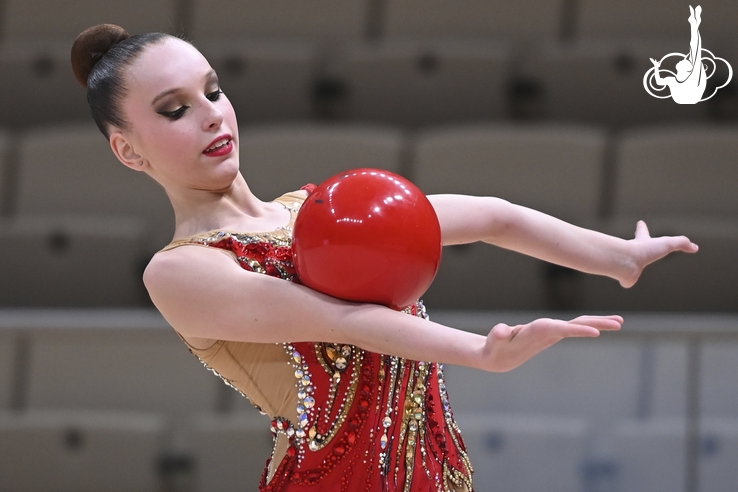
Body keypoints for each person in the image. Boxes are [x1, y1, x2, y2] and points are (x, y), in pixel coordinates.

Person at [71, 24, 698, 492]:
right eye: (175, 109)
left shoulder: (322, 209)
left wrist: (618, 257)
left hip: (439, 473)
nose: (211, 115)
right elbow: (338, 321)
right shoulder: (180, 271)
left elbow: (493, 215)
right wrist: (480, 352)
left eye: (213, 90)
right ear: (129, 151)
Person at [650, 5, 706, 104]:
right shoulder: (673, 80)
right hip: (686, 98)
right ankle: (694, 23)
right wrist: (656, 67)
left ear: (687, 69)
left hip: (690, 96)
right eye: (687, 61)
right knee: (695, 51)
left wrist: (694, 26)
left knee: (695, 50)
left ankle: (694, 23)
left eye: (686, 61)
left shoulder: (691, 77)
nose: (683, 59)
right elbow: (659, 82)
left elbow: (695, 49)